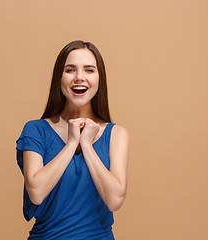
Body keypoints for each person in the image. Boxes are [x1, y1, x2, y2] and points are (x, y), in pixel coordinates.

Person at [16, 40, 129, 239]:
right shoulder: (35, 130)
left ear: (99, 79)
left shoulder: (117, 135)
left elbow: (114, 200)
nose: (79, 77)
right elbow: (36, 191)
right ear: (59, 78)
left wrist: (86, 144)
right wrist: (71, 143)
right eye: (70, 70)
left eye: (89, 70)